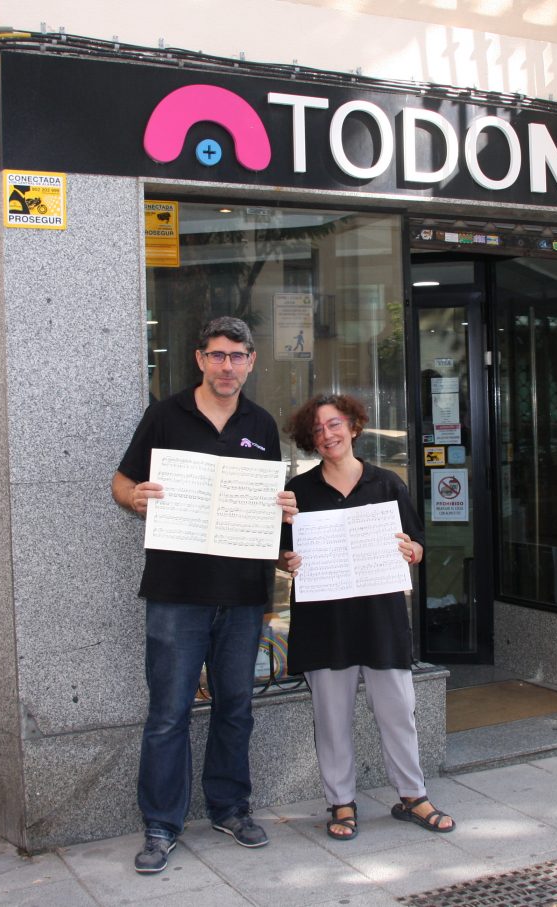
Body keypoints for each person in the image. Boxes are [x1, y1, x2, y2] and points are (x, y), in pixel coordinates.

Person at [112, 316, 298, 874]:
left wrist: (285, 517)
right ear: (200, 359)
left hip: (243, 593)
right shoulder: (165, 415)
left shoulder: (261, 424)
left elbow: (270, 504)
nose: (227, 366)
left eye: (237, 357)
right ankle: (161, 824)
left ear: (251, 361)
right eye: (217, 355)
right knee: (168, 711)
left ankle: (229, 807)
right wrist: (136, 497)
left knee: (236, 705)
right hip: (176, 590)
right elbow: (120, 481)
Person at [277, 393, 454, 841]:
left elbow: (415, 544)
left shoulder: (388, 483)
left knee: (398, 710)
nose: (327, 435)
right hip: (324, 620)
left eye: (334, 424)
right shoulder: (298, 493)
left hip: (380, 617)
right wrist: (286, 561)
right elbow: (280, 554)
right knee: (331, 717)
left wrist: (413, 551)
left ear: (353, 427)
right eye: (317, 430)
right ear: (310, 441)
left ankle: (413, 796)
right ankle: (341, 803)